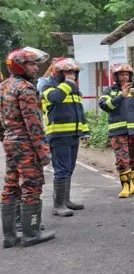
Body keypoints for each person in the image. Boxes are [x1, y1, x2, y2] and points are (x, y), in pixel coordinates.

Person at [1, 47, 56, 247]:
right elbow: (33, 123)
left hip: (10, 141)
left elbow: (1, 120)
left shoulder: (4, 86)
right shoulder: (25, 88)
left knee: (11, 185)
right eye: (31, 64)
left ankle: (9, 236)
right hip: (26, 143)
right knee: (32, 185)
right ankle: (31, 233)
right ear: (19, 66)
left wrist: (6, 138)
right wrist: (43, 152)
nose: (36, 67)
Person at [41, 58, 89, 216]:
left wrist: (85, 131)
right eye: (68, 72)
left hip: (73, 135)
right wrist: (68, 84)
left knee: (69, 169)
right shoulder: (48, 87)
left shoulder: (74, 91)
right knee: (61, 170)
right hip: (58, 135)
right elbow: (56, 98)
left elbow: (80, 113)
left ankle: (66, 200)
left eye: (74, 72)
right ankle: (58, 205)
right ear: (59, 73)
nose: (72, 75)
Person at [99, 63, 134, 198]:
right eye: (122, 74)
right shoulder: (109, 91)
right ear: (116, 76)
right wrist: (121, 96)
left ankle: (132, 184)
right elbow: (105, 106)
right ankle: (125, 187)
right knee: (122, 159)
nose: (125, 76)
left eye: (127, 74)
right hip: (118, 131)